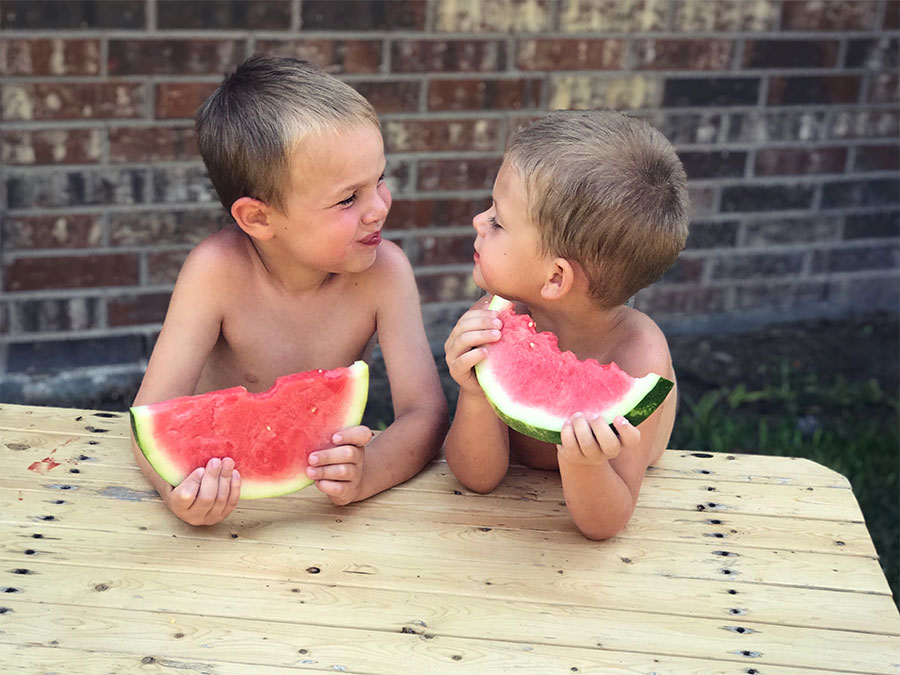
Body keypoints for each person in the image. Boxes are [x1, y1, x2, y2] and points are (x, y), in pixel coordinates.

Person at [131, 55, 448, 525]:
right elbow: (149, 420)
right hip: (229, 501)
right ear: (258, 218)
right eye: (347, 198)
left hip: (323, 514)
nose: (378, 208)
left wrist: (370, 471)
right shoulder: (215, 272)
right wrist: (178, 490)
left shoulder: (385, 273)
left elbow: (426, 413)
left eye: (379, 180)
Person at [443, 110, 689, 540]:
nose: (479, 222)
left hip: (625, 468)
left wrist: (585, 463)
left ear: (555, 278)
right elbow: (476, 478)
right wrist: (473, 394)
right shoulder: (499, 316)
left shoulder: (640, 355)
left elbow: (606, 524)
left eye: (498, 221)